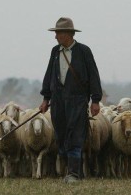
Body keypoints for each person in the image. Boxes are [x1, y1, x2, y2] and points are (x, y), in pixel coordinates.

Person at [39, 17, 102, 183]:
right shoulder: (55, 51)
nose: (55, 36)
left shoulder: (84, 51)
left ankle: (74, 174)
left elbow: (93, 76)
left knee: (75, 135)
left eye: (58, 33)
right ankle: (72, 172)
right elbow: (49, 75)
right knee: (61, 135)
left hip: (77, 100)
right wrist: (46, 98)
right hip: (58, 101)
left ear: (68, 34)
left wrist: (95, 100)